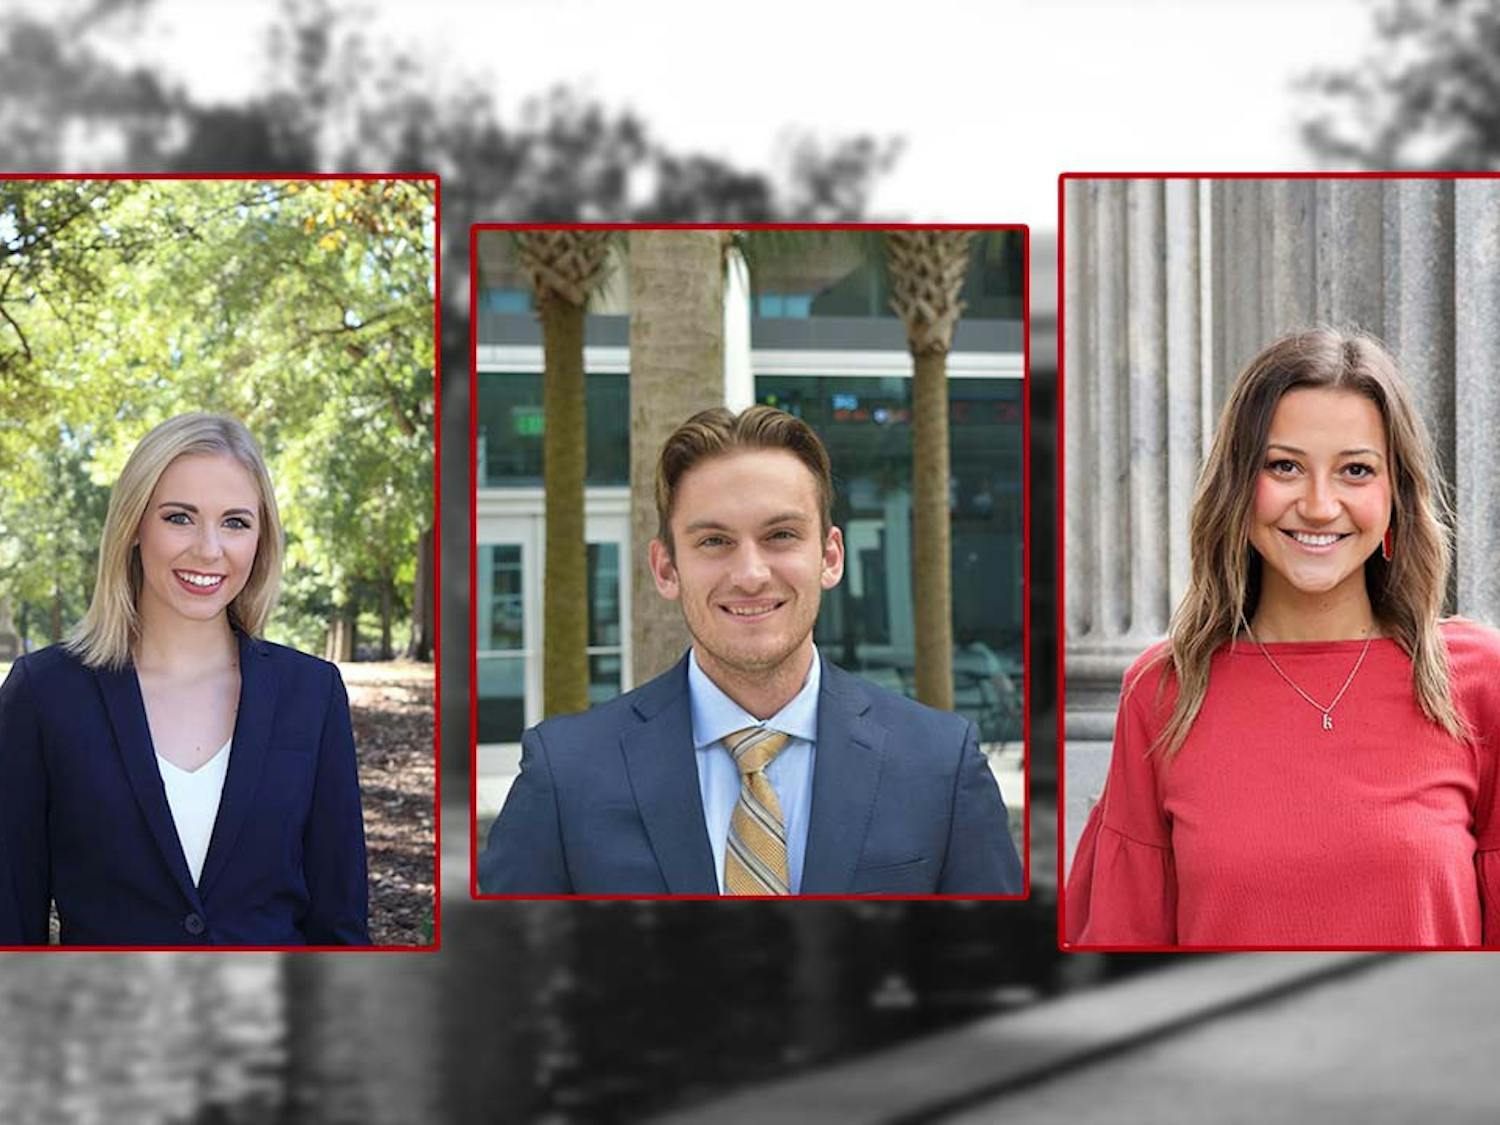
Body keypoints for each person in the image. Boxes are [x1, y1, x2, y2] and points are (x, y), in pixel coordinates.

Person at [1066, 328, 1500, 948]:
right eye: (1284, 466)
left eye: (1355, 470)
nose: (1320, 506)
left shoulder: (1481, 679)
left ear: (1395, 498)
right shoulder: (1163, 692)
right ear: (1239, 488)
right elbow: (1121, 949)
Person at [480, 405, 1022, 895]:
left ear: (830, 557)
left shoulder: (940, 764)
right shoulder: (565, 773)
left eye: (781, 535)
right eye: (714, 542)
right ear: (666, 568)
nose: (750, 575)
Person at [0, 414, 369, 945]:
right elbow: (11, 919)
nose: (209, 549)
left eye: (235, 522)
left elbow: (340, 926)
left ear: (261, 539)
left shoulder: (312, 695)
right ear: (133, 527)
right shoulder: (45, 692)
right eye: (179, 517)